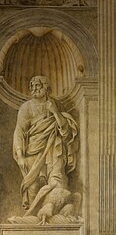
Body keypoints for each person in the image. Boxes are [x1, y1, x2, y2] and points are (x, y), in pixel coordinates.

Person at [13, 75, 79, 214]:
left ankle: (51, 213)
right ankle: (32, 217)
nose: (34, 89)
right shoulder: (26, 108)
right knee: (33, 186)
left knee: (58, 181)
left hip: (54, 148)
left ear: (46, 87)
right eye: (32, 86)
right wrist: (20, 155)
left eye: (37, 85)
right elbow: (19, 132)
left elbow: (65, 132)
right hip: (33, 150)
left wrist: (54, 111)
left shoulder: (57, 105)